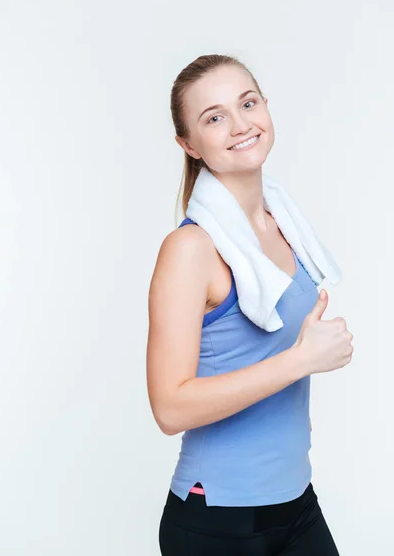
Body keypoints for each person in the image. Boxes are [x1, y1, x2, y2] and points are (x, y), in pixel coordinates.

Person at [146, 54, 353, 555]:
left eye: (248, 103)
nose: (240, 125)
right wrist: (300, 361)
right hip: (218, 520)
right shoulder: (191, 250)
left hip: (297, 503)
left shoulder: (284, 225)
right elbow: (169, 407)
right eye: (214, 117)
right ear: (188, 145)